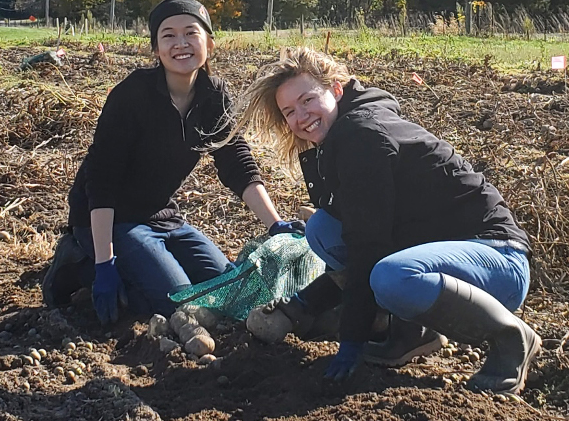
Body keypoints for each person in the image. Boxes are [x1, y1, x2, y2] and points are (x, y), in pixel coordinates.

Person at [224, 47, 541, 395]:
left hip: (496, 259)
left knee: (391, 277)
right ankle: (410, 333)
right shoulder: (339, 136)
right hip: (442, 258)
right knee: (323, 230)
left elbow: (368, 246)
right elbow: (366, 235)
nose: (301, 116)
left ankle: (511, 338)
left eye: (307, 99)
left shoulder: (362, 137)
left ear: (336, 89)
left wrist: (350, 342)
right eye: (289, 111)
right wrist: (301, 306)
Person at [42, 0, 304, 325]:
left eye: (191, 33)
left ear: (209, 42)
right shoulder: (132, 95)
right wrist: (103, 263)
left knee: (227, 287)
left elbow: (236, 160)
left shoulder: (215, 95)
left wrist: (275, 226)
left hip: (162, 216)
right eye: (168, 35)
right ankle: (78, 266)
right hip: (111, 218)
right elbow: (102, 179)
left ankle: (129, 268)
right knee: (178, 303)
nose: (181, 43)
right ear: (156, 49)